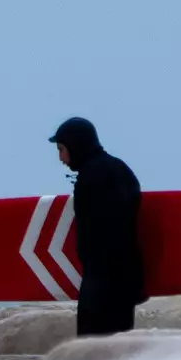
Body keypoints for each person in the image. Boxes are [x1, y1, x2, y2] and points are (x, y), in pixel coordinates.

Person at [49, 116, 145, 336]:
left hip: (101, 280)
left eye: (62, 149)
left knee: (91, 353)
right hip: (125, 278)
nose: (61, 157)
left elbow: (100, 233)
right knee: (117, 351)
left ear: (76, 146)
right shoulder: (120, 169)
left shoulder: (91, 178)